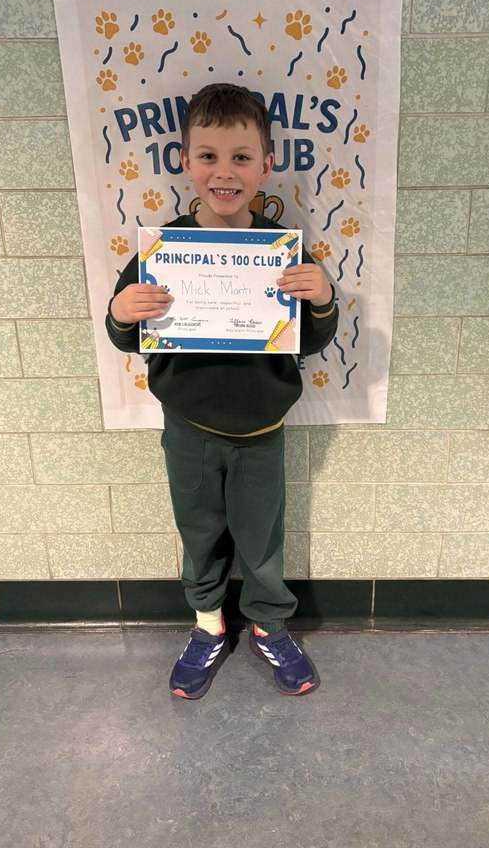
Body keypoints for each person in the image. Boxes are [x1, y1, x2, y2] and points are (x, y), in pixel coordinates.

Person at [105, 82, 339, 699]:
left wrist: (323, 299)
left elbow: (309, 340)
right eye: (208, 156)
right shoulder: (162, 251)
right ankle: (208, 624)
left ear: (266, 165)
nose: (224, 172)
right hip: (188, 429)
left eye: (240, 158)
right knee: (199, 530)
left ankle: (268, 623)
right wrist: (123, 312)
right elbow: (129, 338)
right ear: (184, 163)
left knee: (262, 539)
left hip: (262, 430)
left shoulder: (284, 253)